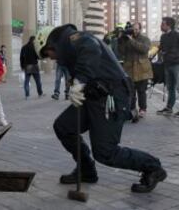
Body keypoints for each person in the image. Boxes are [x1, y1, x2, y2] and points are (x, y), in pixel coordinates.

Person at [34, 24, 166, 193]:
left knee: (106, 152)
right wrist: (77, 84)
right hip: (94, 96)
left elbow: (91, 49)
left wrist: (79, 81)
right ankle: (87, 170)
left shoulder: (76, 39)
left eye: (48, 54)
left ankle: (153, 167)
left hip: (112, 96)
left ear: (51, 44)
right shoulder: (69, 48)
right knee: (64, 126)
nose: (51, 59)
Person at [118, 22, 153, 120]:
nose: (134, 31)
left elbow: (144, 49)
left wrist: (132, 40)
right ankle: (132, 109)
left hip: (142, 69)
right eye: (133, 29)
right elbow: (121, 52)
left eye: (137, 29)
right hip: (129, 69)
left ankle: (142, 109)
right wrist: (120, 40)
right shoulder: (126, 39)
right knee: (131, 91)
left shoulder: (145, 39)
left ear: (140, 29)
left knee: (141, 91)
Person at [156, 17, 179, 116]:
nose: (161, 25)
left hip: (177, 64)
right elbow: (160, 48)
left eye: (163, 24)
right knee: (170, 87)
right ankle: (169, 108)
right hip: (167, 65)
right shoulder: (163, 37)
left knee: (178, 87)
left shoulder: (177, 35)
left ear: (169, 25)